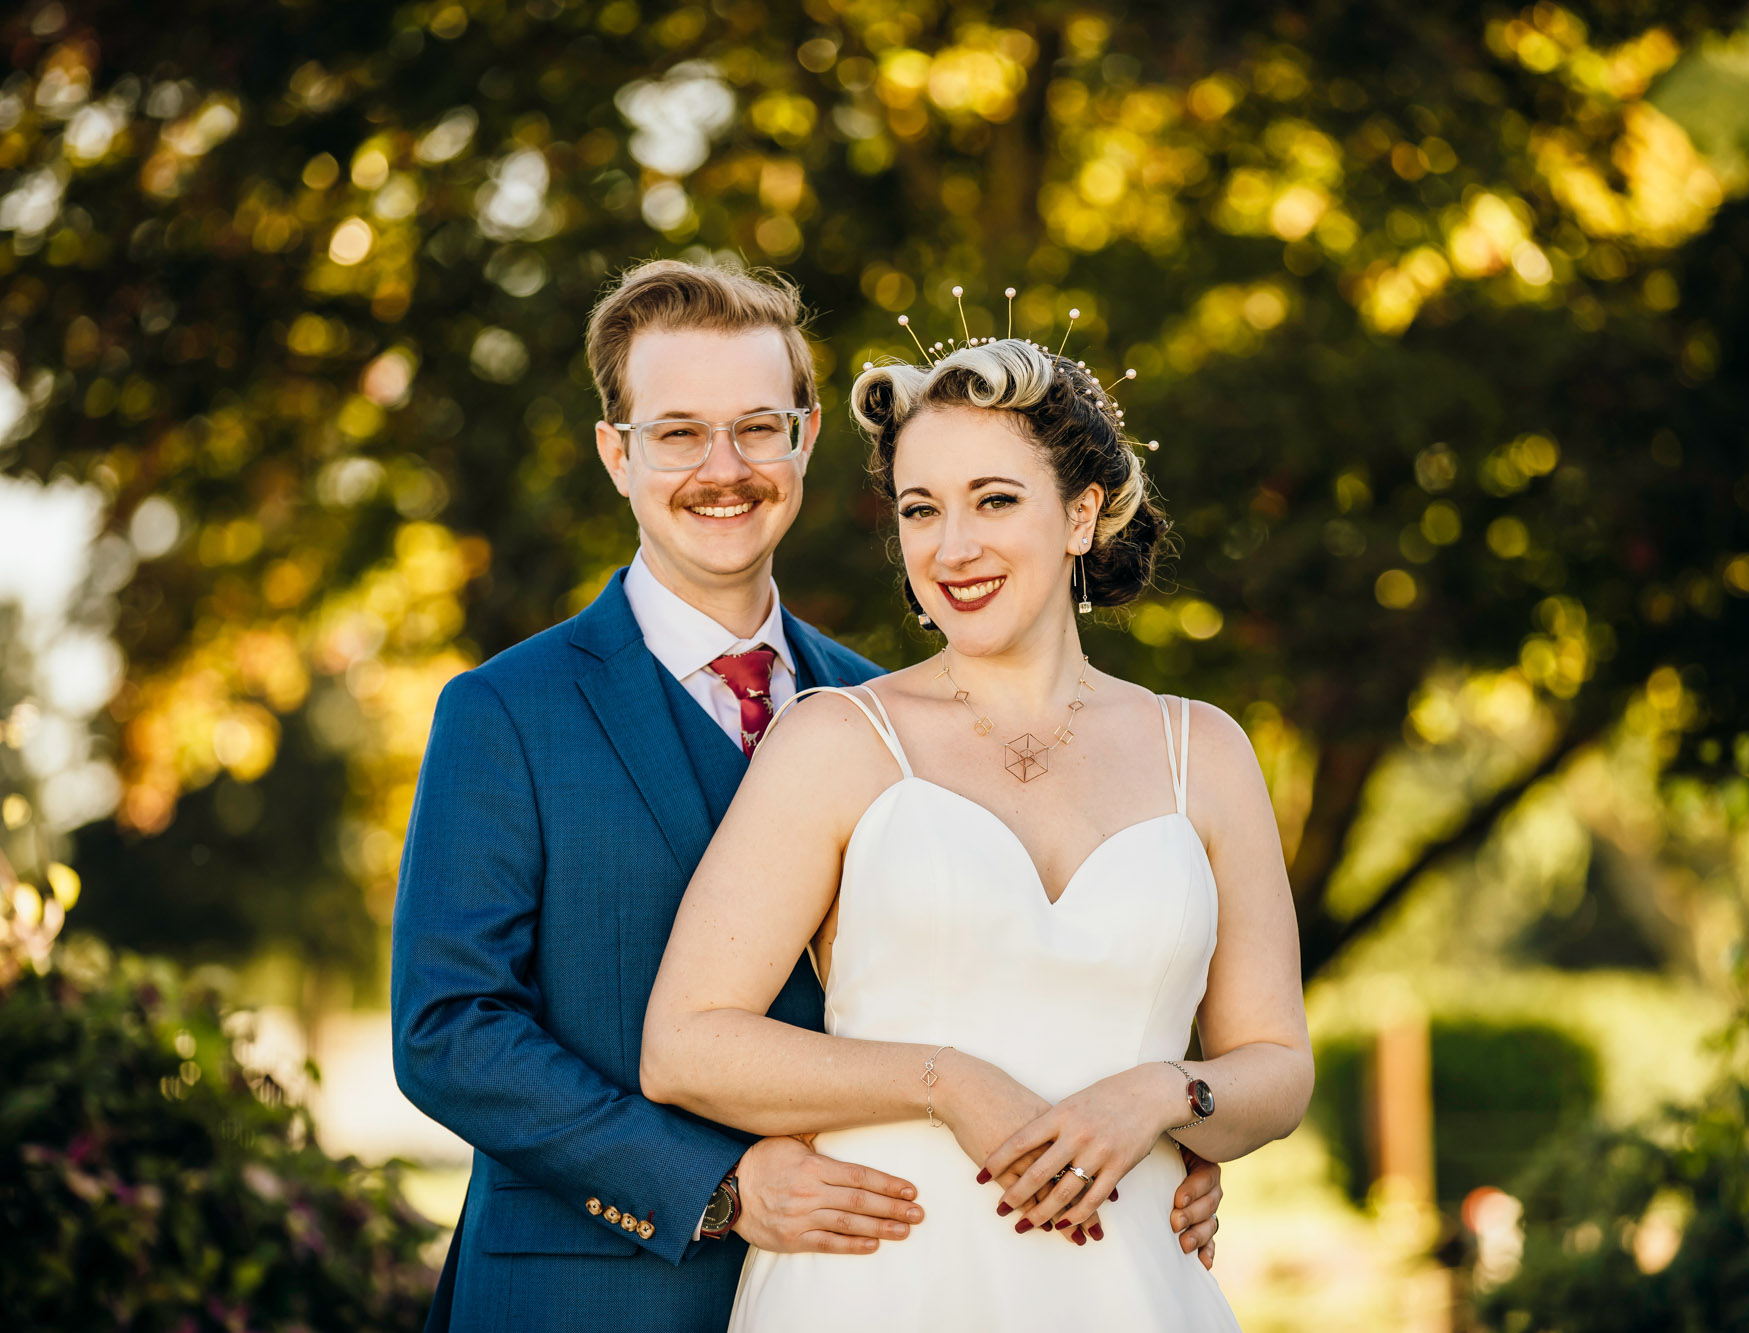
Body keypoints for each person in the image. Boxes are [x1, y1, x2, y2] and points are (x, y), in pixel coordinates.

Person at [390, 260, 1222, 1332]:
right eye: (677, 432)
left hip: (881, 1282)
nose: (721, 468)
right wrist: (719, 1183)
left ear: (807, 437)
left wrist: (1164, 1144)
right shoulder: (504, 711)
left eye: (755, 426)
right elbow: (449, 1030)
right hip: (588, 1287)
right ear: (616, 452)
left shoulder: (893, 714)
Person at [642, 337, 1314, 1330]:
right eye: (920, 509)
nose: (950, 548)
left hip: (1128, 1288)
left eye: (993, 500)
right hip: (878, 1284)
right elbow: (684, 1047)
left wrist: (1159, 1094)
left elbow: (1276, 1066)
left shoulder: (1202, 751)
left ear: (1081, 512)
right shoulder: (835, 739)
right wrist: (942, 1081)